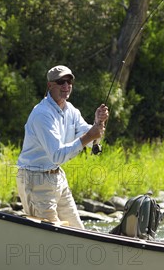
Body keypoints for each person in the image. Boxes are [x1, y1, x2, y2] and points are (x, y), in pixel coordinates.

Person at [16, 65, 109, 229]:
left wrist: (98, 123)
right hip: (35, 181)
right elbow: (57, 155)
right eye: (61, 82)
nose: (66, 86)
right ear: (50, 85)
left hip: (57, 177)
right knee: (48, 239)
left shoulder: (70, 109)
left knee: (78, 232)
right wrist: (90, 135)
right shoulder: (42, 114)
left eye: (69, 82)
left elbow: (88, 137)